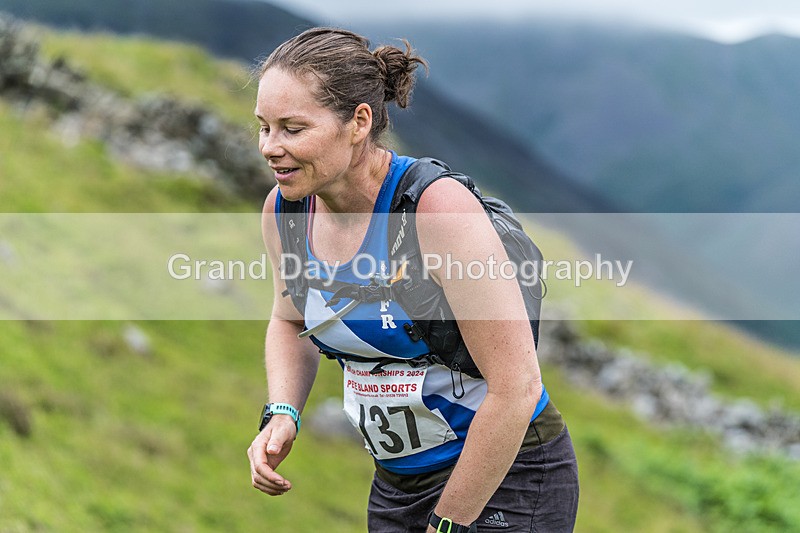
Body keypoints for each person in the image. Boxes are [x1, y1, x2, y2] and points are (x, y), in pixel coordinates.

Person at [246, 27, 579, 532]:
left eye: (292, 128)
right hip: (396, 487)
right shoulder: (285, 211)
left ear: (358, 122)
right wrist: (282, 411)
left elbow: (516, 387)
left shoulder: (435, 209)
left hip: (507, 474)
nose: (271, 147)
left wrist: (448, 523)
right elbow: (289, 319)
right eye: (264, 127)